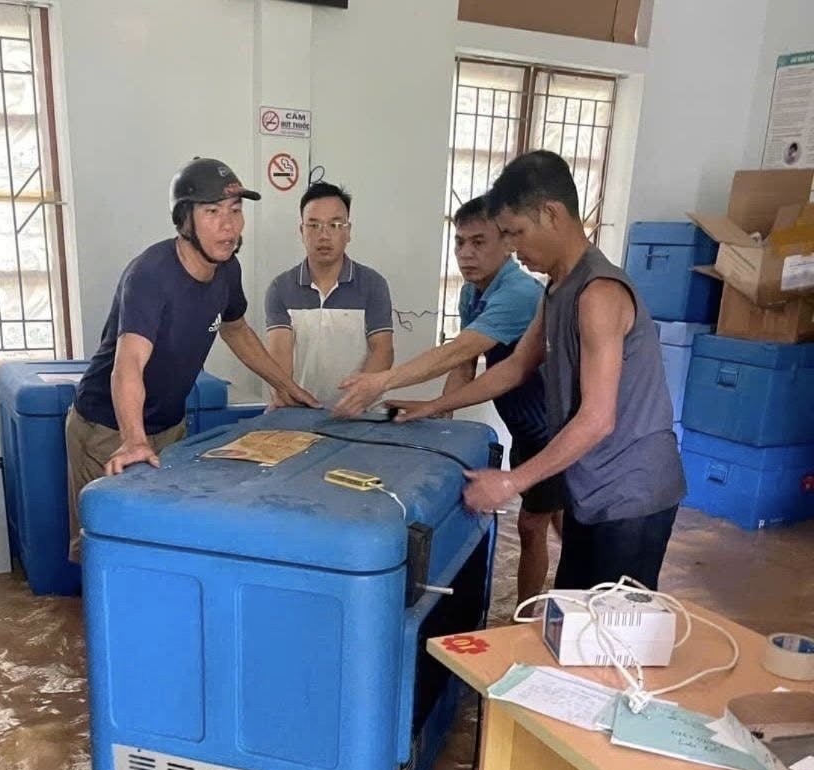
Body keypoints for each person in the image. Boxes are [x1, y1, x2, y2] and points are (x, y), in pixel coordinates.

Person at [388, 150, 686, 591]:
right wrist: (433, 406)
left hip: (631, 493)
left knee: (610, 624)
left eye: (515, 233)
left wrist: (511, 481)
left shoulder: (599, 293)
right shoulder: (558, 287)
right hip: (590, 484)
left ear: (551, 214)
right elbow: (516, 368)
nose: (511, 247)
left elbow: (597, 419)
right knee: (574, 611)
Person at [66, 157, 319, 562]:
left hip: (169, 425)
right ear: (185, 219)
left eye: (235, 210)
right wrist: (134, 439)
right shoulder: (151, 275)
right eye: (213, 212)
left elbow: (236, 329)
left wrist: (287, 387)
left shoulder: (227, 269)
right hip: (109, 427)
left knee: (163, 541)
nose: (229, 226)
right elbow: (128, 363)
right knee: (108, 551)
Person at [334, 196, 563, 604]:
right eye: (459, 242)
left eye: (479, 242)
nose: (466, 253)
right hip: (526, 426)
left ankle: (525, 617)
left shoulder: (518, 293)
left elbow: (458, 350)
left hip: (555, 427)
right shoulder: (471, 293)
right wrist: (440, 423)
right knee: (556, 516)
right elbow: (464, 365)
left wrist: (382, 381)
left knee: (532, 525)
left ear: (507, 243)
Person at [265, 181, 394, 405]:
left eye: (334, 225)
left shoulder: (373, 285)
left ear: (348, 231)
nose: (324, 235)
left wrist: (356, 400)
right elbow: (279, 362)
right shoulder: (281, 288)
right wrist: (286, 398)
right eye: (314, 225)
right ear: (301, 231)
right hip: (299, 410)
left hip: (360, 412)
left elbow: (383, 350)